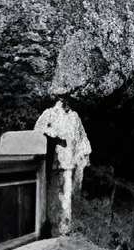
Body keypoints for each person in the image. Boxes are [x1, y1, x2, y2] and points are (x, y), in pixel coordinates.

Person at [34, 99, 92, 234]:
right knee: (53, 194)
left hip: (70, 161)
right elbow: (37, 130)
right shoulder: (49, 113)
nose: (66, 103)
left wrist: (84, 154)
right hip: (54, 161)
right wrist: (52, 132)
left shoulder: (74, 116)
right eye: (62, 99)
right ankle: (51, 227)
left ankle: (65, 228)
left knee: (68, 194)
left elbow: (82, 136)